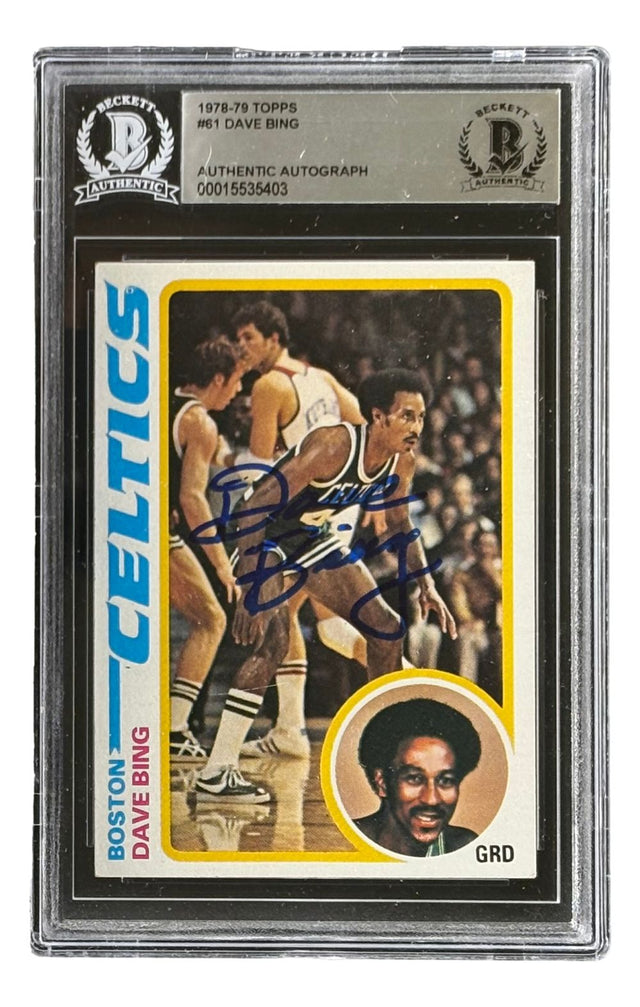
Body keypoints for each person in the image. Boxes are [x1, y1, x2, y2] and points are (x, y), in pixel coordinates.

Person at [192, 368, 457, 802]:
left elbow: (399, 524)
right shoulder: (333, 445)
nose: (417, 427)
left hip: (311, 538)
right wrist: (251, 586)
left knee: (386, 628)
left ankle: (384, 750)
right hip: (264, 535)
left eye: (422, 417)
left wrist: (425, 583)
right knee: (274, 642)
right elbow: (254, 509)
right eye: (407, 416)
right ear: (378, 417)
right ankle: (217, 771)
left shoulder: (401, 461)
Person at [232, 300, 369, 759]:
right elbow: (363, 427)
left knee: (283, 618)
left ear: (274, 338)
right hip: (335, 508)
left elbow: (257, 467)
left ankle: (410, 684)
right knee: (320, 625)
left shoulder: (269, 385)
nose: (242, 347)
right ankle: (289, 730)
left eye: (249, 338)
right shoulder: (322, 378)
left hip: (301, 515)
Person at [169, 336, 244, 760]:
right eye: (235, 381)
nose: (238, 390)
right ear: (218, 379)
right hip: (158, 534)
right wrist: (221, 565)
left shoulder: (164, 401)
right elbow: (192, 499)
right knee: (212, 619)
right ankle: (175, 729)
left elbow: (208, 458)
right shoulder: (200, 422)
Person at [353, 697, 480, 857]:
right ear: (382, 782)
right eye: (414, 779)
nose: (431, 800)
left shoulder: (463, 846)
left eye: (446, 780)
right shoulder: (346, 839)